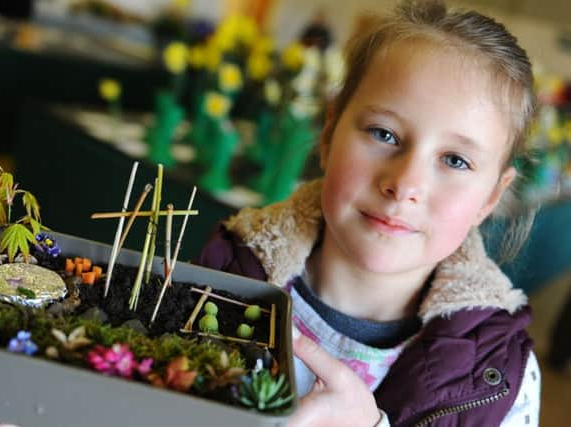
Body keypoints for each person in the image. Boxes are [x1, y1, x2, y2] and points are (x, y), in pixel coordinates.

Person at [198, 1, 541, 426]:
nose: (405, 184)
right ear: (329, 133)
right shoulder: (215, 278)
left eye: (455, 160)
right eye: (385, 133)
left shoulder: (504, 380)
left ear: (490, 197)